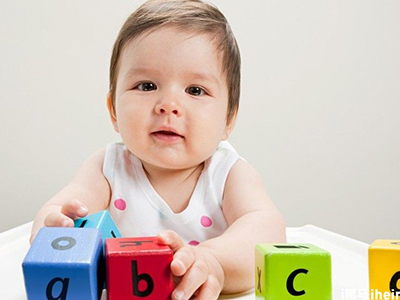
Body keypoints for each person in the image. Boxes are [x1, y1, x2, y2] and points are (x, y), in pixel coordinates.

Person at [30, 0, 286, 299]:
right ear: (114, 110)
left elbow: (267, 230)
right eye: (147, 85)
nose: (168, 105)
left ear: (228, 118)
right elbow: (55, 210)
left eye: (195, 90)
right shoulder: (108, 168)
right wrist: (57, 229)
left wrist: (213, 260)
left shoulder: (228, 173)